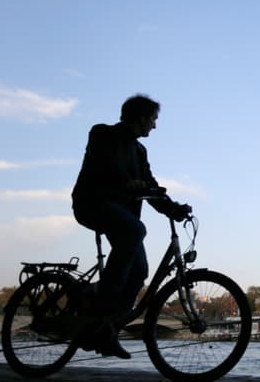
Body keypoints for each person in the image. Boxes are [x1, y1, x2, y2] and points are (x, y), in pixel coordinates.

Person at [72, 94, 190, 359]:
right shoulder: (102, 133)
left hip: (121, 215)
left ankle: (108, 329)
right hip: (92, 204)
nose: (155, 126)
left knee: (139, 272)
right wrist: (126, 182)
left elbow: (149, 185)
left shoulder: (140, 151)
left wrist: (173, 207)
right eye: (153, 119)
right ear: (140, 117)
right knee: (135, 231)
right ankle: (103, 309)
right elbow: (104, 164)